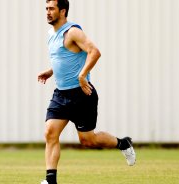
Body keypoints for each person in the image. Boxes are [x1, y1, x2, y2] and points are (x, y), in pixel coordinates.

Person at [38, 0, 136, 183]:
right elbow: (64, 58)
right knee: (50, 132)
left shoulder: (73, 32)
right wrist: (51, 71)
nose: (47, 12)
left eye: (51, 9)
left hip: (82, 94)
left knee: (88, 140)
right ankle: (50, 180)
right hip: (61, 94)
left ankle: (123, 143)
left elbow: (94, 52)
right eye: (46, 9)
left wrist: (82, 76)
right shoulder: (50, 34)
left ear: (63, 11)